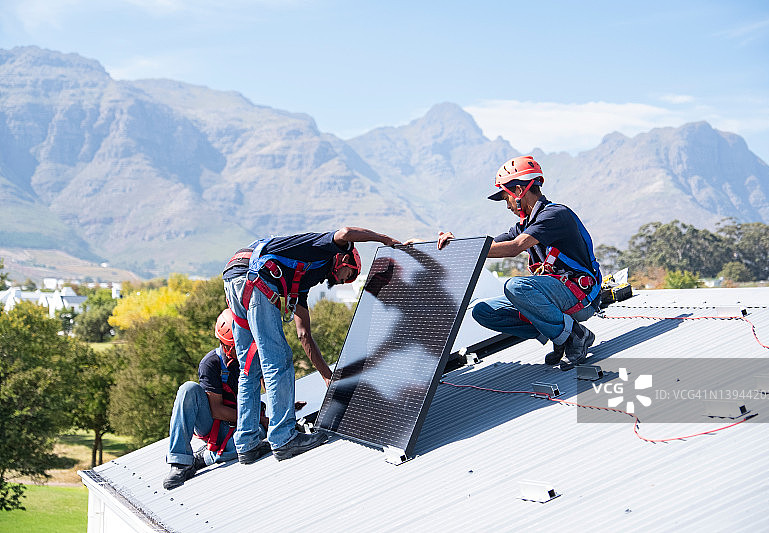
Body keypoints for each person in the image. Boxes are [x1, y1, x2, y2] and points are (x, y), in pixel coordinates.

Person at [222, 227, 401, 463]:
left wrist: (327, 376)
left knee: (249, 366)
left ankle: (247, 444)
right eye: (349, 274)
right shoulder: (323, 249)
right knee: (277, 361)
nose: (344, 281)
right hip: (256, 278)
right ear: (344, 259)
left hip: (234, 276)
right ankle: (284, 438)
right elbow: (346, 232)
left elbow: (304, 334)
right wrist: (384, 239)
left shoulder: (302, 280)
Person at [438, 155, 601, 371]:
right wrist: (455, 245)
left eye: (506, 198)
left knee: (515, 286)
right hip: (556, 297)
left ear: (518, 191)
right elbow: (490, 246)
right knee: (483, 311)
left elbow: (515, 247)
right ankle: (561, 336)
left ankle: (574, 335)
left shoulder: (555, 215)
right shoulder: (524, 225)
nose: (507, 206)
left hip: (581, 297)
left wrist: (465, 250)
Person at [163, 309, 268, 490]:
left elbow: (267, 382)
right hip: (215, 425)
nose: (244, 348)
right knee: (188, 389)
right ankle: (181, 463)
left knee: (254, 438)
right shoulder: (211, 364)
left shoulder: (252, 356)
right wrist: (258, 418)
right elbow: (216, 410)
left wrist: (279, 410)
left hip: (245, 427)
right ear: (228, 347)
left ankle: (204, 458)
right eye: (239, 345)